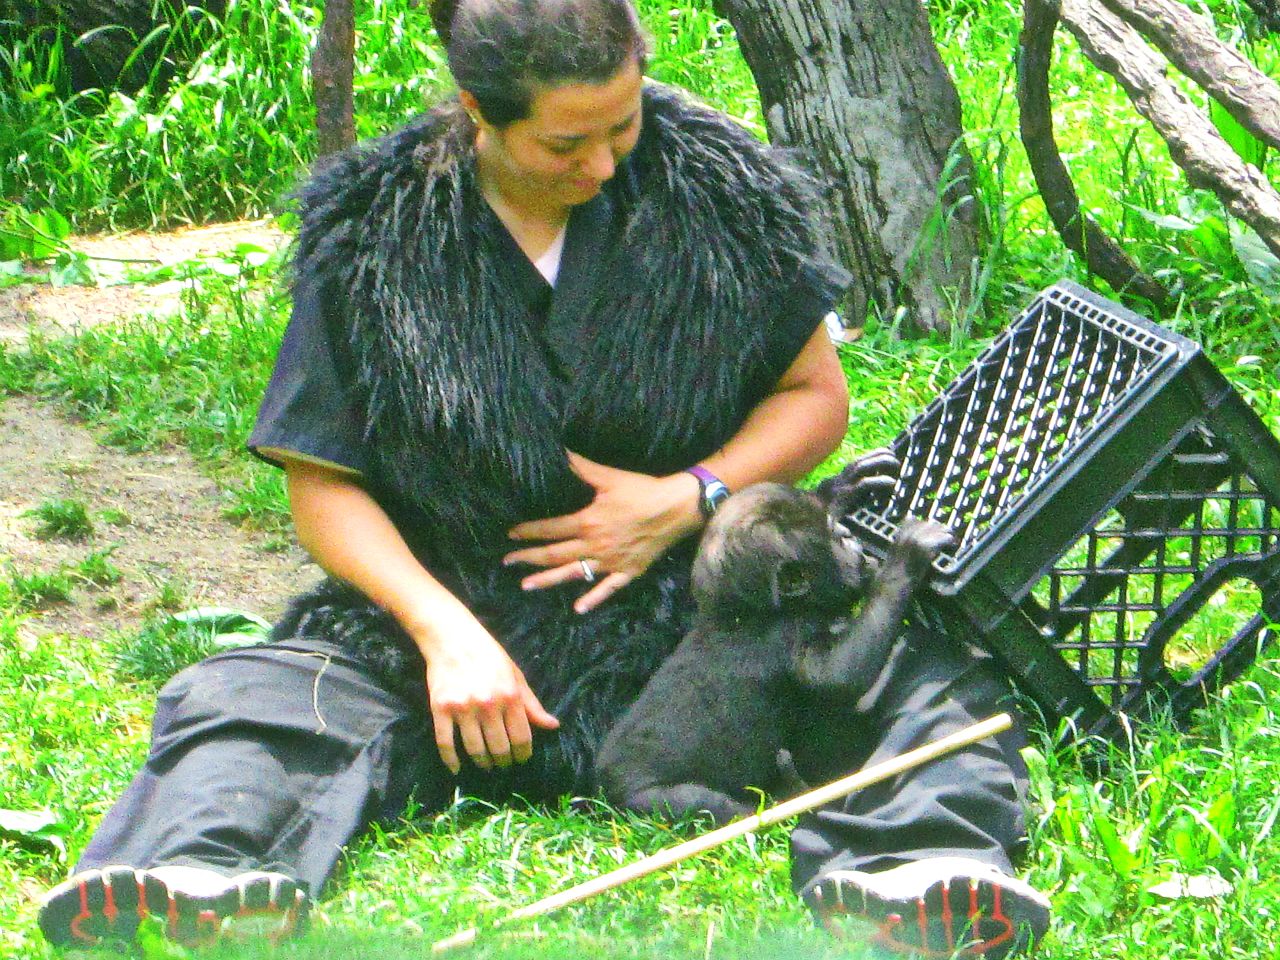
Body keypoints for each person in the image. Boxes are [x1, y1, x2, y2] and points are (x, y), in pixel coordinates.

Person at [36, 0, 1049, 955]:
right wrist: (443, 635)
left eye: (622, 125)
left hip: (692, 633)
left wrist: (687, 496)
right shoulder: (376, 228)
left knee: (911, 668)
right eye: (566, 145)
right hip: (453, 619)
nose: (605, 164)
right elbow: (321, 481)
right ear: (478, 112)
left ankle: (922, 865)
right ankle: (199, 873)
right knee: (246, 694)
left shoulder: (716, 188)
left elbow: (810, 398)